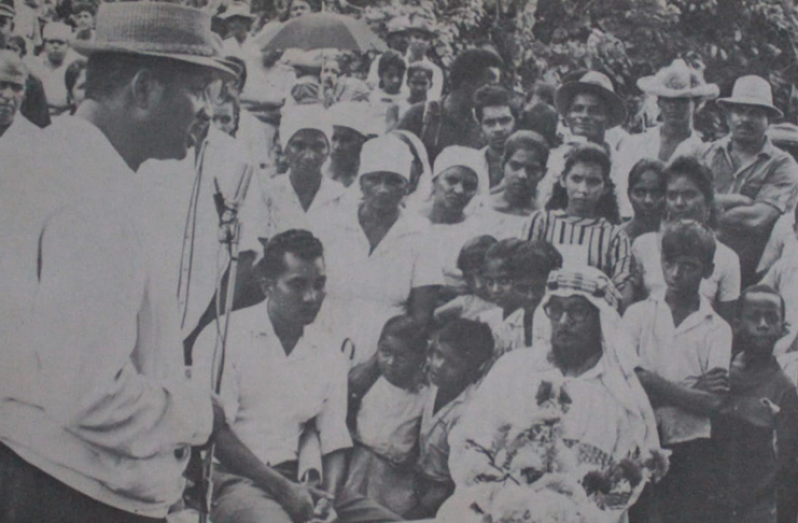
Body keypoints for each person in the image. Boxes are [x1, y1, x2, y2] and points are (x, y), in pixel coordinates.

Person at [0, 3, 233, 521]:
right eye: (198, 90)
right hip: (73, 490)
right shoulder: (97, 197)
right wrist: (197, 414)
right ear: (145, 89)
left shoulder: (33, 158)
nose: (207, 112)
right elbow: (92, 395)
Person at [193, 230, 401, 523]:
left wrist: (327, 499)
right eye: (297, 285)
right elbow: (217, 432)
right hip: (234, 479)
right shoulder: (225, 335)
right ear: (268, 287)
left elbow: (334, 438)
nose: (311, 297)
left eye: (319, 284)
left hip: (302, 477)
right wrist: (285, 490)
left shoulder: (328, 351)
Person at [444, 267, 662, 523]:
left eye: (578, 311)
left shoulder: (622, 394)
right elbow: (469, 443)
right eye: (556, 309)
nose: (563, 321)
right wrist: (505, 504)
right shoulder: (514, 368)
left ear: (601, 319)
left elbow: (624, 485)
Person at [625, 220, 733, 523]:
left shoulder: (717, 328)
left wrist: (650, 382)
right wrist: (690, 387)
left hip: (691, 445)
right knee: (638, 513)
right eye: (669, 263)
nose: (675, 273)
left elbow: (713, 402)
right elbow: (627, 381)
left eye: (688, 265)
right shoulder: (637, 315)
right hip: (639, 438)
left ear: (707, 270)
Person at [316, 134, 443, 367]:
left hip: (385, 361)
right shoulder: (330, 222)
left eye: (393, 181)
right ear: (361, 181)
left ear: (407, 186)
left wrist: (373, 368)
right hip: (320, 347)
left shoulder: (420, 233)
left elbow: (420, 318)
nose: (383, 189)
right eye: (374, 179)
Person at [696, 75, 798, 286]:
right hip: (701, 262)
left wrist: (706, 205)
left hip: (752, 275)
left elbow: (757, 220)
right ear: (728, 116)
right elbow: (683, 202)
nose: (745, 119)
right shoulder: (706, 154)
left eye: (755, 113)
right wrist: (739, 201)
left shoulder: (783, 165)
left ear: (768, 119)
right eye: (739, 111)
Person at [713, 285, 798, 523]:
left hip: (756, 506)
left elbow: (787, 463)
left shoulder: (785, 390)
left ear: (783, 328)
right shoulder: (720, 371)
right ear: (737, 323)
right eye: (754, 317)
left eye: (771, 318)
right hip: (711, 497)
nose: (762, 324)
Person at [522, 144, 633, 307]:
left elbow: (621, 288)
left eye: (593, 182)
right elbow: (523, 273)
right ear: (563, 180)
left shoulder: (614, 236)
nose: (583, 189)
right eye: (576, 179)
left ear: (605, 188)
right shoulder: (541, 222)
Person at [632, 156, 741, 321]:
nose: (679, 203)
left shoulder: (727, 258)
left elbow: (727, 323)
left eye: (689, 195)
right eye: (672, 195)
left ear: (708, 200)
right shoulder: (643, 245)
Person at [407, 319, 495, 520]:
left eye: (452, 363)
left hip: (442, 494)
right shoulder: (432, 383)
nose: (438, 366)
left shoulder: (469, 411)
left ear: (476, 369)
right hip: (414, 481)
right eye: (437, 355)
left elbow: (450, 483)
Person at [345, 315, 430, 517]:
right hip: (357, 464)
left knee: (385, 515)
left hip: (395, 476)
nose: (391, 362)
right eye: (385, 352)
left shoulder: (424, 394)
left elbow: (421, 439)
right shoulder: (367, 381)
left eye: (401, 356)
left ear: (419, 356)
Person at [614, 59, 718, 205]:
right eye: (667, 100)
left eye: (682, 101)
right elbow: (620, 188)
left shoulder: (703, 152)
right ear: (659, 103)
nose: (673, 107)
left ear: (696, 104)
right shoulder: (634, 144)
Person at [242, 104, 347, 244]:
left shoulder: (340, 197)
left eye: (318, 147)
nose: (309, 156)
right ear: (285, 150)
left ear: (328, 151)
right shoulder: (268, 194)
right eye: (299, 146)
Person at [538, 70, 628, 211]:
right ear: (568, 115)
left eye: (594, 111)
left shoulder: (620, 164)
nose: (584, 116)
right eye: (578, 109)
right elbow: (540, 204)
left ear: (607, 117)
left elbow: (625, 209)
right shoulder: (554, 159)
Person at [398, 48, 504, 162]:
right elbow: (390, 155)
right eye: (489, 85)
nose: (493, 92)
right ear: (466, 83)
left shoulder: (482, 125)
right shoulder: (420, 115)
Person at [478, 239, 563, 358]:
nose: (531, 296)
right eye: (523, 289)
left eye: (539, 288)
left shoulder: (562, 326)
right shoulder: (509, 327)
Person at [419, 145, 486, 290]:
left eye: (469, 186)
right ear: (434, 181)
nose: (459, 190)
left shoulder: (475, 232)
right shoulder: (408, 221)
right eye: (451, 180)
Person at [481, 130, 550, 235]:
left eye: (532, 169)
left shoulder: (544, 220)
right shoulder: (480, 207)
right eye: (515, 166)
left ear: (543, 173)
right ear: (502, 165)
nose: (522, 175)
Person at [433, 235, 498, 323]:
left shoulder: (515, 301)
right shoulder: (468, 303)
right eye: (469, 278)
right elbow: (434, 317)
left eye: (483, 275)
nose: (478, 285)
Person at [26, 22, 76, 116]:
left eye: (60, 43)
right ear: (44, 45)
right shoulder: (34, 66)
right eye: (51, 42)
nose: (55, 46)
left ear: (68, 46)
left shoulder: (71, 70)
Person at [474, 84, 517, 190]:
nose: (498, 129)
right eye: (490, 123)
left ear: (515, 122)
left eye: (504, 121)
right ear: (480, 127)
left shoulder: (531, 162)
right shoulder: (473, 164)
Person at [325, 101, 374, 188]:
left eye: (347, 140)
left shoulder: (369, 182)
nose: (337, 147)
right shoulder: (319, 172)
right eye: (334, 138)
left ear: (363, 142)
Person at [619, 158, 666, 243]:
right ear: (629, 194)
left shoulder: (672, 237)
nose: (648, 200)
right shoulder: (616, 237)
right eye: (640, 193)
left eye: (656, 193)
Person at [0, 49, 39, 143]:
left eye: (17, 87)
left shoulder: (34, 139)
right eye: (1, 85)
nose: (8, 95)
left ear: (25, 94)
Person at [371, 50, 406, 134]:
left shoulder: (406, 98)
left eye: (399, 76)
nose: (396, 80)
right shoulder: (373, 98)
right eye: (390, 76)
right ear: (381, 75)